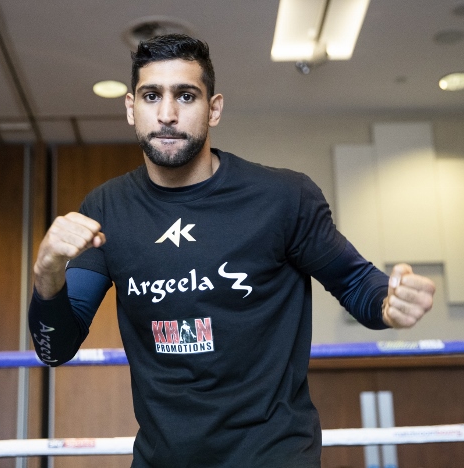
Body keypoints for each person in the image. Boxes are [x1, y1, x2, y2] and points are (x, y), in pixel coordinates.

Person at [28, 34, 435, 467]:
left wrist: (389, 303)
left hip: (272, 456)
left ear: (214, 108)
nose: (167, 114)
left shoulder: (282, 197)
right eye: (152, 96)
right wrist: (46, 272)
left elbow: (355, 281)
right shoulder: (107, 208)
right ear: (131, 108)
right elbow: (56, 349)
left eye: (186, 95)